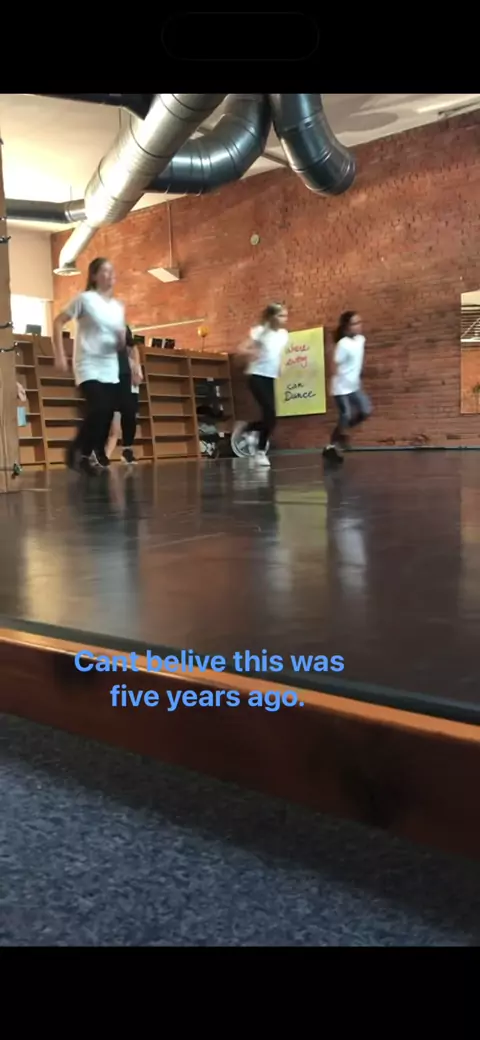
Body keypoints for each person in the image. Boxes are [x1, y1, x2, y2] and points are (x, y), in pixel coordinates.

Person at [52, 257, 125, 474]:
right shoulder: (84, 300)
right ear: (94, 276)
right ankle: (75, 449)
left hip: (110, 368)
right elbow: (58, 322)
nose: (110, 275)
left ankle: (84, 457)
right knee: (99, 407)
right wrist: (59, 354)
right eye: (104, 271)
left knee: (106, 415)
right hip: (88, 365)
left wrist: (121, 341)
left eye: (112, 271)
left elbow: (118, 341)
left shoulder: (116, 307)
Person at [233, 302, 289, 468]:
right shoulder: (260, 332)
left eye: (285, 315)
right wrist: (252, 352)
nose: (284, 319)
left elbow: (279, 353)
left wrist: (280, 366)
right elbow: (241, 348)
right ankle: (260, 452)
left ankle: (247, 426)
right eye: (280, 315)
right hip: (256, 376)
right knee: (270, 413)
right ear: (272, 317)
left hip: (270, 377)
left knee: (272, 418)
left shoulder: (283, 335)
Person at [324, 311, 372, 459]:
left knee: (365, 411)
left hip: (354, 386)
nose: (358, 326)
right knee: (346, 414)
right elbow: (334, 364)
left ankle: (341, 433)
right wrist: (331, 382)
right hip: (340, 387)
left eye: (359, 322)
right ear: (346, 327)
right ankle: (335, 442)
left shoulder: (361, 340)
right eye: (354, 324)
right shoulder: (343, 344)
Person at [105, 325, 143, 464]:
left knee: (129, 422)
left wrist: (135, 373)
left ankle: (126, 452)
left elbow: (137, 377)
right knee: (114, 428)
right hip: (117, 390)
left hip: (130, 391)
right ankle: (105, 456)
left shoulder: (132, 354)